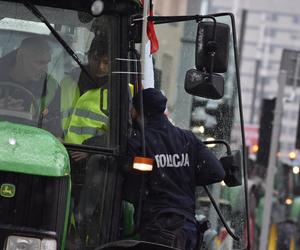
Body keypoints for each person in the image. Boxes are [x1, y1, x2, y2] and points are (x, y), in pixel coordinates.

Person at [123, 88, 225, 250]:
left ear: (137, 112)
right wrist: (185, 175)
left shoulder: (139, 143)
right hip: (188, 230)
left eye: (133, 109)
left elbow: (130, 191)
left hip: (157, 230)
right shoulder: (187, 139)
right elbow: (217, 172)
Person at [0, 36, 61, 136]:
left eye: (47, 63)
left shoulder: (51, 86)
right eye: (40, 63)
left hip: (32, 142)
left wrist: (39, 118)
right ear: (20, 55)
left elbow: (55, 130)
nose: (45, 69)